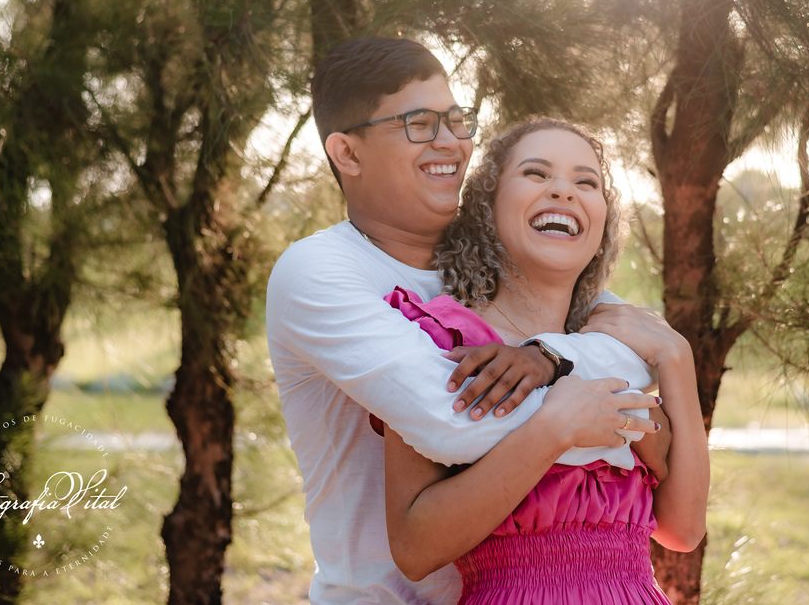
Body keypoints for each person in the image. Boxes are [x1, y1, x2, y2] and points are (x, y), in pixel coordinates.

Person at [267, 37, 678, 605]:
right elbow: (453, 421)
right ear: (348, 153)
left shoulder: (492, 253)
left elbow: (628, 336)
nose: (451, 143)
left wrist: (550, 359)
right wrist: (580, 414)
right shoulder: (319, 272)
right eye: (419, 123)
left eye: (457, 121)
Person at [382, 118, 711, 604]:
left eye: (586, 182)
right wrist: (553, 428)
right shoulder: (443, 341)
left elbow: (682, 530)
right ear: (486, 208)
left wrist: (675, 357)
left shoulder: (611, 351)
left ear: (602, 224)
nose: (564, 191)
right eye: (536, 174)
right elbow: (413, 549)